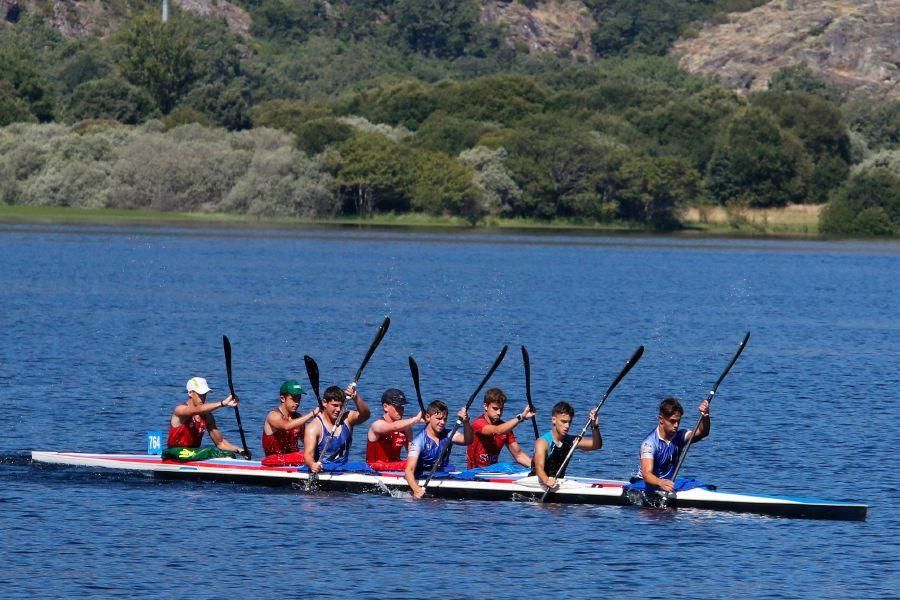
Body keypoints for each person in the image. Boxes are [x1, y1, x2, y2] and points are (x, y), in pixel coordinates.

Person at [637, 396, 710, 493]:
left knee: (698, 484)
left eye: (678, 421)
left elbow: (702, 432)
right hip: (645, 484)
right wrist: (661, 483)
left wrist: (705, 416)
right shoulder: (649, 443)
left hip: (667, 484)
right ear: (661, 419)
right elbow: (646, 474)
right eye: (672, 421)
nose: (676, 425)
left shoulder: (680, 436)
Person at [404, 400, 472, 498]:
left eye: (445, 419)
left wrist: (466, 422)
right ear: (428, 417)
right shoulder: (418, 441)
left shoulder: (449, 434)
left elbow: (468, 440)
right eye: (439, 419)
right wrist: (417, 489)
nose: (442, 422)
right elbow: (408, 470)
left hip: (442, 476)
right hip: (422, 476)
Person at [531, 401, 601, 490]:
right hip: (536, 482)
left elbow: (596, 445)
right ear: (553, 420)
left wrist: (594, 427)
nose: (567, 426)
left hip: (556, 482)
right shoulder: (543, 442)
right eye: (563, 422)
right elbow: (539, 467)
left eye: (569, 422)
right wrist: (546, 480)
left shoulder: (571, 441)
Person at [304, 383, 370, 473]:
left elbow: (366, 415)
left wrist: (356, 398)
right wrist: (312, 464)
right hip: (323, 470)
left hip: (343, 470)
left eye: (341, 406)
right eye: (335, 405)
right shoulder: (314, 427)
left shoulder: (347, 419)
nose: (338, 409)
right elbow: (308, 454)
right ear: (324, 403)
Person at [167, 376, 244, 454]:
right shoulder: (180, 410)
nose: (203, 397)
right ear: (190, 393)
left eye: (204, 394)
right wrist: (222, 403)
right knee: (210, 452)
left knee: (228, 455)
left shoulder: (207, 416)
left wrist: (240, 450)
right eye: (200, 394)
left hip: (193, 455)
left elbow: (220, 443)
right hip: (174, 454)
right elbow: (198, 410)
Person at [466, 388, 535, 469]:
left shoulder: (505, 428)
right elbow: (497, 430)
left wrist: (538, 468)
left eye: (501, 409)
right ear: (485, 406)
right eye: (495, 409)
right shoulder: (478, 424)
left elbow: (519, 455)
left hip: (492, 473)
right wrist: (521, 417)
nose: (498, 413)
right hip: (474, 474)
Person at [262, 380, 322, 456]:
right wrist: (312, 414)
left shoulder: (298, 418)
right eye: (293, 399)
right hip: (273, 460)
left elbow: (307, 442)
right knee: (306, 456)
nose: (297, 402)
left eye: (299, 398)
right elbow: (286, 426)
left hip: (294, 459)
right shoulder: (273, 415)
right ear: (282, 398)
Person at [366, 388, 423, 467]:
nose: (401, 410)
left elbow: (412, 453)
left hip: (396, 469)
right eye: (397, 407)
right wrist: (415, 420)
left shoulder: (406, 428)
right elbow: (394, 426)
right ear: (385, 407)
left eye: (402, 407)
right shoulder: (377, 425)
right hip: (374, 471)